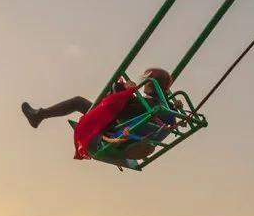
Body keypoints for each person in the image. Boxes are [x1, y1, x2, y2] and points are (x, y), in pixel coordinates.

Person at [21, 67, 174, 164]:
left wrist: (121, 88)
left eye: (146, 83)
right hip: (125, 125)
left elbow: (120, 107)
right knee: (83, 102)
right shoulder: (160, 105)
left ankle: (39, 115)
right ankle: (39, 115)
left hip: (115, 126)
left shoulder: (148, 104)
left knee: (78, 102)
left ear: (151, 85)